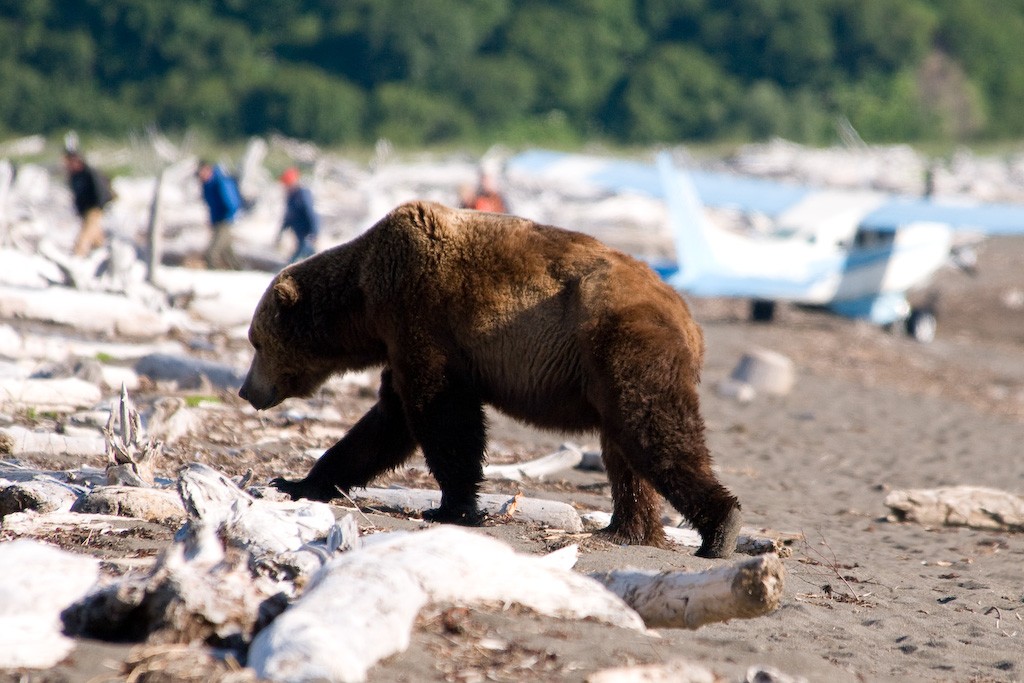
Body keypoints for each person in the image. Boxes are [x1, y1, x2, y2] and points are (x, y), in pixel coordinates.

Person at [63, 149, 113, 256]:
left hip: (94, 208)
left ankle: (78, 254)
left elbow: (101, 190)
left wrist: (100, 206)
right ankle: (105, 252)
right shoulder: (74, 176)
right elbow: (76, 196)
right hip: (84, 210)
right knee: (96, 234)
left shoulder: (89, 173)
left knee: (85, 233)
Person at [197, 160, 244, 270]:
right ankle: (241, 271)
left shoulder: (220, 181)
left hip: (225, 220)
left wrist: (229, 216)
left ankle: (214, 274)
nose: (201, 176)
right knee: (227, 251)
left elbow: (232, 202)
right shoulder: (207, 184)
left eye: (202, 172)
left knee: (212, 252)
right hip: (217, 220)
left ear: (208, 169)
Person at [277, 167, 319, 264]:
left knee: (299, 257)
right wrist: (281, 232)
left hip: (306, 233)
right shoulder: (291, 196)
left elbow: (312, 214)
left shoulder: (302, 194)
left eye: (287, 184)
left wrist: (315, 232)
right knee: (309, 256)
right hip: (299, 234)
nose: (285, 186)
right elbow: (288, 217)